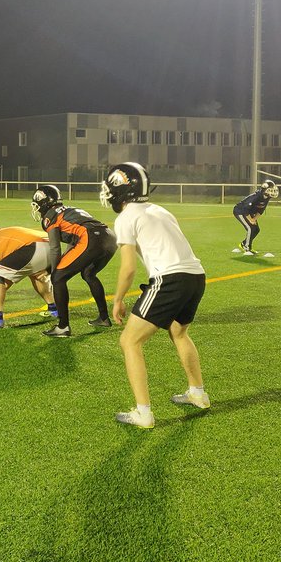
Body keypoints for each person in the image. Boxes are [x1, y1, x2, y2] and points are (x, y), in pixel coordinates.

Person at [102, 162, 208, 429]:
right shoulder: (160, 210)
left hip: (170, 279)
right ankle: (198, 393)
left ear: (119, 189)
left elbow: (128, 268)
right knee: (179, 331)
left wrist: (117, 300)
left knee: (129, 342)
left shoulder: (126, 217)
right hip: (196, 276)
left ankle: (143, 413)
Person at [30, 183, 118, 337]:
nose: (36, 208)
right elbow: (74, 241)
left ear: (44, 202)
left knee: (58, 278)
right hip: (109, 237)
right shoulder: (69, 209)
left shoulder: (50, 216)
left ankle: (63, 327)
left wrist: (55, 272)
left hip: (91, 238)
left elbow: (55, 248)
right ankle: (104, 318)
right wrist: (61, 265)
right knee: (89, 274)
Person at [0, 221, 56, 329]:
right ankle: (54, 309)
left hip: (34, 246)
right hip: (51, 244)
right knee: (35, 274)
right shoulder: (4, 235)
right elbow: (8, 274)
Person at [232, 180, 279, 255]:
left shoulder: (266, 198)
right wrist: (250, 220)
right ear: (264, 190)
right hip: (240, 211)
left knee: (256, 229)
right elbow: (245, 209)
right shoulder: (256, 196)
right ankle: (246, 247)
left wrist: (254, 219)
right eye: (270, 190)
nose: (272, 192)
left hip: (249, 212)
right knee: (250, 228)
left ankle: (244, 244)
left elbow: (260, 211)